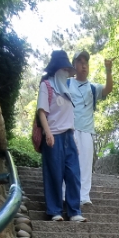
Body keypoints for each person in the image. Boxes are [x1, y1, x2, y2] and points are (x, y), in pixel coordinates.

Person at [36, 50, 85, 222]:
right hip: (54, 136)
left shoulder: (66, 90)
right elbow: (42, 111)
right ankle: (55, 210)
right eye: (64, 69)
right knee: (54, 174)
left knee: (73, 175)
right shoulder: (47, 86)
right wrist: (48, 133)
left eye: (68, 70)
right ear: (56, 69)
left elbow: (70, 117)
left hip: (69, 137)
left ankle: (74, 211)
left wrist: (75, 141)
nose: (67, 73)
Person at [66, 51, 113, 206]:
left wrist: (108, 70)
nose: (83, 65)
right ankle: (65, 194)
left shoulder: (93, 87)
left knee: (85, 165)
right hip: (68, 129)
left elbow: (107, 89)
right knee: (68, 163)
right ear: (74, 65)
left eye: (85, 62)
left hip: (87, 130)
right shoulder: (66, 83)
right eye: (79, 61)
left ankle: (84, 196)